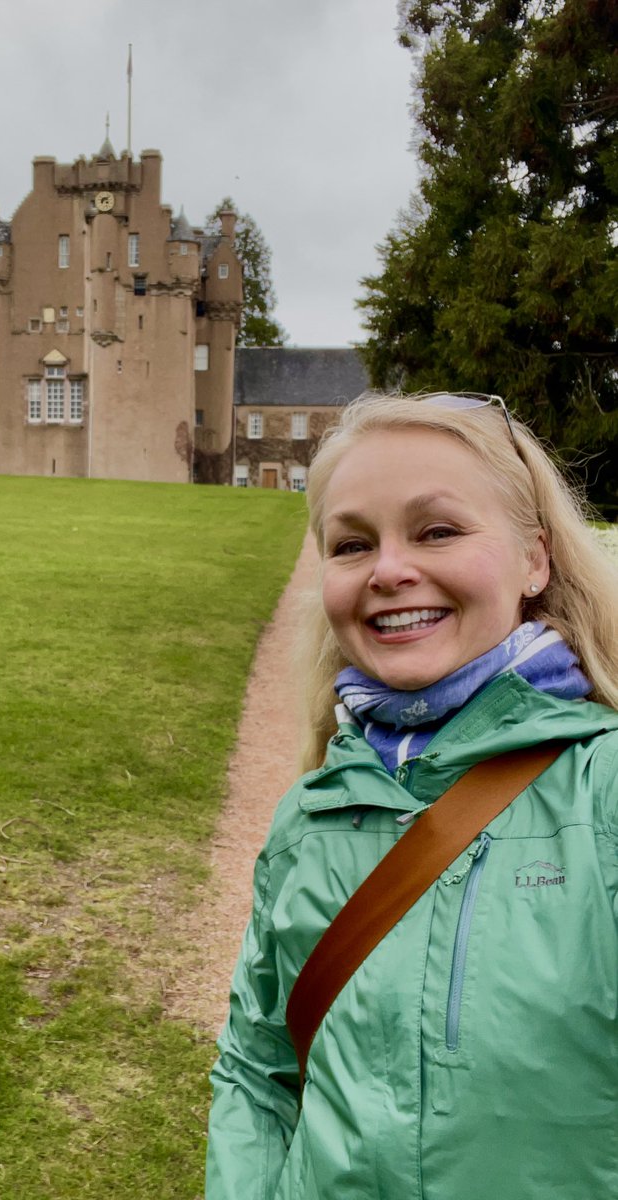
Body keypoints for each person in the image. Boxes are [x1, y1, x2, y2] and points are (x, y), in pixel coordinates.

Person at [205, 393, 618, 1200]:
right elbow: (257, 1071)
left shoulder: (602, 796)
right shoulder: (311, 814)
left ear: (535, 559)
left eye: (437, 531)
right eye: (353, 543)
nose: (390, 570)